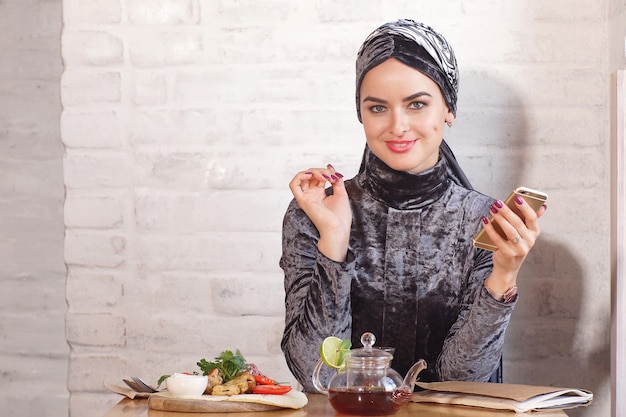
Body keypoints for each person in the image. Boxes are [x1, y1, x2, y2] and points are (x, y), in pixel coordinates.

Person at [280, 19, 546, 392]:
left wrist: (502, 276)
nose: (398, 125)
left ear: (448, 109)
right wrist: (334, 241)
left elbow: (462, 383)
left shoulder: (484, 221)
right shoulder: (315, 214)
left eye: (417, 104)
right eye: (377, 108)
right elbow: (318, 376)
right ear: (360, 113)